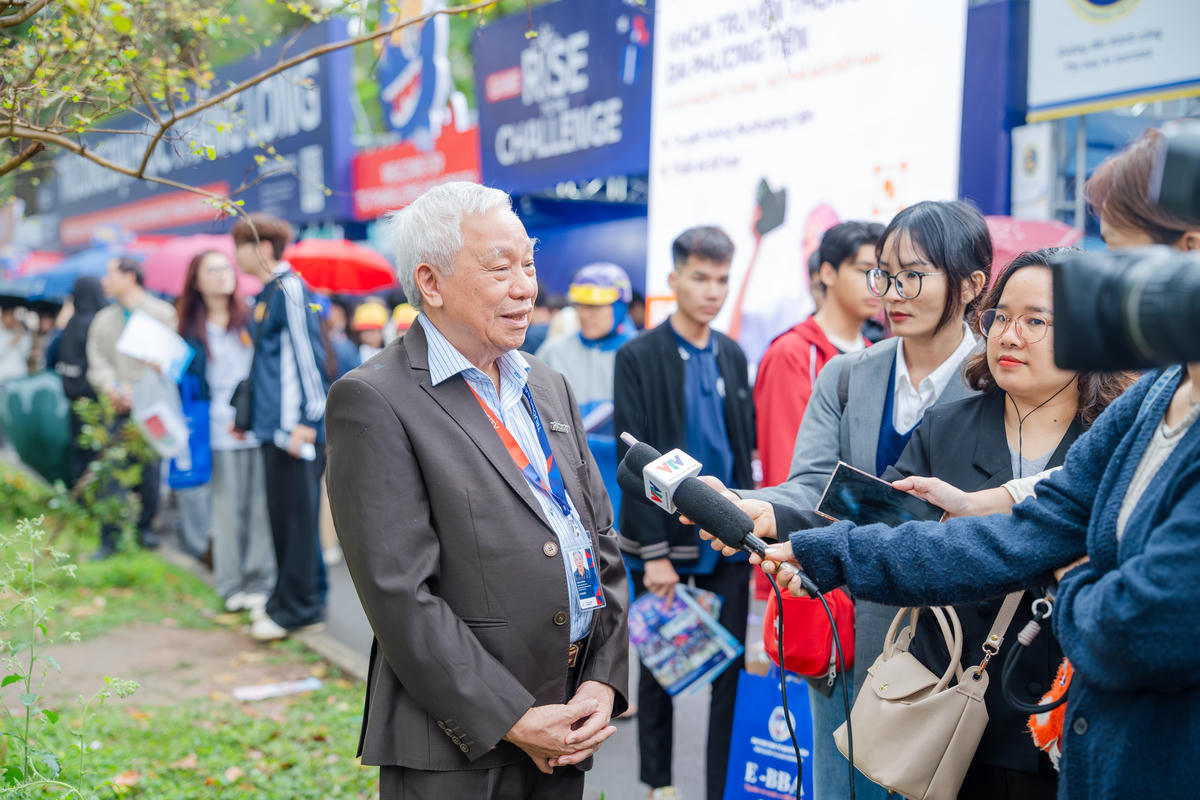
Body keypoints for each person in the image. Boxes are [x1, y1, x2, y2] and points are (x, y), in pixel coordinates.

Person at [726, 127, 1200, 800]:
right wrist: (830, 552)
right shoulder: (1157, 399)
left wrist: (1068, 583)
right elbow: (1026, 529)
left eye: (1119, 257)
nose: (1103, 284)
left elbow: (1151, 622)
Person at [324, 181, 628, 800]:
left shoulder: (545, 382)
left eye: (529, 263)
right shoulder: (375, 399)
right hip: (456, 745)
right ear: (430, 283)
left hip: (566, 721)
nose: (526, 287)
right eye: (499, 268)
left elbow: (596, 541)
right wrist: (513, 719)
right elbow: (400, 595)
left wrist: (602, 680)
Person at [726, 201, 990, 800]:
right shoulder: (847, 376)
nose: (890, 293)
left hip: (952, 656)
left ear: (972, 284)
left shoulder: (997, 382)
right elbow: (809, 484)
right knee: (838, 786)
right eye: (882, 274)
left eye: (912, 276)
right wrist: (758, 506)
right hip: (847, 634)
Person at [872, 248, 1133, 799]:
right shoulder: (947, 425)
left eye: (1036, 320)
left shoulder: (1117, 439)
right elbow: (883, 525)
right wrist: (795, 537)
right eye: (999, 317)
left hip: (1071, 723)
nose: (1009, 336)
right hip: (950, 719)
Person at [613, 225, 755, 800]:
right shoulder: (639, 355)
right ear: (674, 280)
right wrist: (652, 555)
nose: (712, 290)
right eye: (700, 277)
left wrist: (752, 528)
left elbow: (741, 453)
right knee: (660, 668)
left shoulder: (734, 353)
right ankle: (659, 786)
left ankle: (719, 788)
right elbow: (633, 460)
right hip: (664, 546)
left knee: (730, 673)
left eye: (722, 278)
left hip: (725, 536)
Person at [231, 213, 330, 641]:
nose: (234, 255)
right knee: (285, 519)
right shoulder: (269, 292)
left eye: (240, 245)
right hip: (278, 428)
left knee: (297, 521)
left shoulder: (289, 289)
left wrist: (308, 420)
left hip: (296, 430)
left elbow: (309, 358)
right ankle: (286, 599)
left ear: (264, 248)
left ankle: (299, 608)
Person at [176, 249, 276, 616]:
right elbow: (186, 381)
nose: (221, 275)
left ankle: (260, 581)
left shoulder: (251, 317)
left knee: (260, 507)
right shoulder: (189, 329)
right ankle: (231, 583)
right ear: (197, 281)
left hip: (254, 425)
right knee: (228, 509)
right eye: (211, 270)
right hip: (216, 428)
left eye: (225, 268)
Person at [756, 220, 884, 488]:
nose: (876, 284)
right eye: (864, 271)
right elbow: (786, 466)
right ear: (827, 273)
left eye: (883, 273)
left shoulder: (877, 355)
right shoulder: (792, 352)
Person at [86, 256, 177, 557]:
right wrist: (113, 387)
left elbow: (168, 359)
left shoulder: (162, 313)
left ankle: (145, 529)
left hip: (152, 407)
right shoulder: (103, 319)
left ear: (129, 277)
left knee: (151, 470)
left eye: (110, 274)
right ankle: (108, 539)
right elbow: (96, 360)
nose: (104, 281)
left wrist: (137, 388)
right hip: (116, 407)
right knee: (110, 471)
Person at [537, 263, 637, 416]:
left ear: (619, 307)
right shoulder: (553, 351)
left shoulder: (641, 354)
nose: (584, 314)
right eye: (580, 305)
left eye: (594, 306)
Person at [54, 276, 108, 485]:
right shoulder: (99, 322)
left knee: (80, 451)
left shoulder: (71, 323)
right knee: (98, 453)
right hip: (98, 400)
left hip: (75, 400)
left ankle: (80, 495)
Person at [351, 299, 388, 364]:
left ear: (381, 332)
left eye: (372, 331)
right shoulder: (353, 355)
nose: (369, 335)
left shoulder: (390, 355)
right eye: (365, 331)